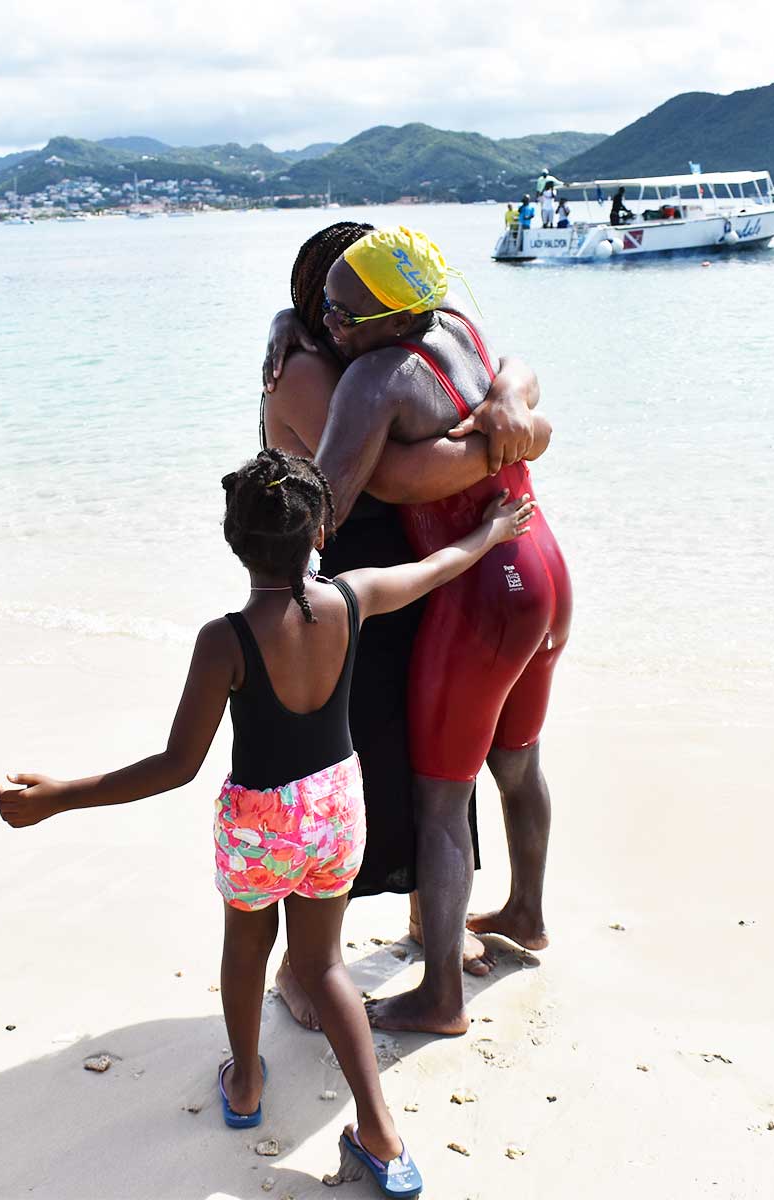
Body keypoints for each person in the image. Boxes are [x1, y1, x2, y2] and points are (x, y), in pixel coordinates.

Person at [0, 448, 537, 1197]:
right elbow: (434, 569)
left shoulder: (226, 639)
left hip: (260, 826)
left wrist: (60, 794)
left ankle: (246, 1083)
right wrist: (492, 532)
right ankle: (381, 1135)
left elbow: (175, 766)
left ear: (232, 539)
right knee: (323, 967)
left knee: (248, 952)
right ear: (321, 531)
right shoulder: (353, 595)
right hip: (336, 812)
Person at [261, 222, 544, 1030]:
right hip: (354, 585)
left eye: (356, 305)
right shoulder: (315, 371)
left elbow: (492, 355)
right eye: (330, 307)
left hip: (423, 579)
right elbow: (398, 476)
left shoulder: (375, 354)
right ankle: (300, 965)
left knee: (432, 767)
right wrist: (510, 435)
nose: (341, 319)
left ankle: (431, 922)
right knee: (352, 777)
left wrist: (509, 400)